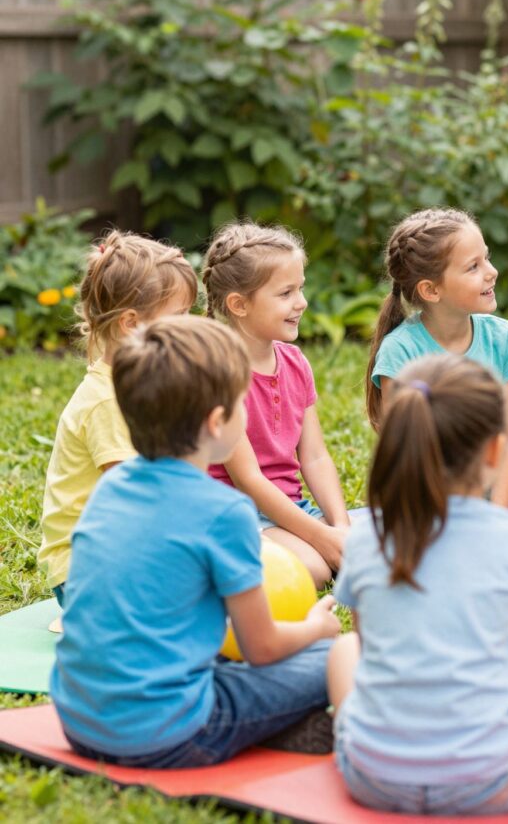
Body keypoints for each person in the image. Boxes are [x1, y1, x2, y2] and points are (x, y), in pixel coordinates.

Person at [50, 316, 340, 767]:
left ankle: (275, 725)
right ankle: (280, 727)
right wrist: (316, 630)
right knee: (340, 653)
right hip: (170, 734)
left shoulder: (112, 485)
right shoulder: (225, 513)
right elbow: (261, 649)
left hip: (79, 721)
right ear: (218, 422)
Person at [328, 354, 508, 815]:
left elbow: (370, 650)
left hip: (373, 778)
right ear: (494, 451)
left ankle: (357, 739)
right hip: (493, 783)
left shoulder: (366, 539)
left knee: (342, 653)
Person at [365, 208, 508, 566]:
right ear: (431, 289)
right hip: (424, 497)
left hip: (490, 492)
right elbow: (404, 458)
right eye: (473, 267)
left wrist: (495, 519)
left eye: (486, 258)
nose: (491, 272)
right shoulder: (400, 352)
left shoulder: (501, 338)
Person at [39, 230, 196, 607]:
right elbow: (139, 497)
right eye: (179, 316)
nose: (191, 327)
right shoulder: (107, 401)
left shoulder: (138, 384)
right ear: (130, 323)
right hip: (87, 573)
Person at [202, 221, 350, 586]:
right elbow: (247, 479)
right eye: (285, 293)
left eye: (300, 288)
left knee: (378, 540)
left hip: (289, 509)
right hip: (235, 515)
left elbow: (314, 456)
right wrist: (321, 537)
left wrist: (341, 527)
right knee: (314, 569)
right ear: (239, 304)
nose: (301, 302)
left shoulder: (296, 361)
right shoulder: (221, 372)